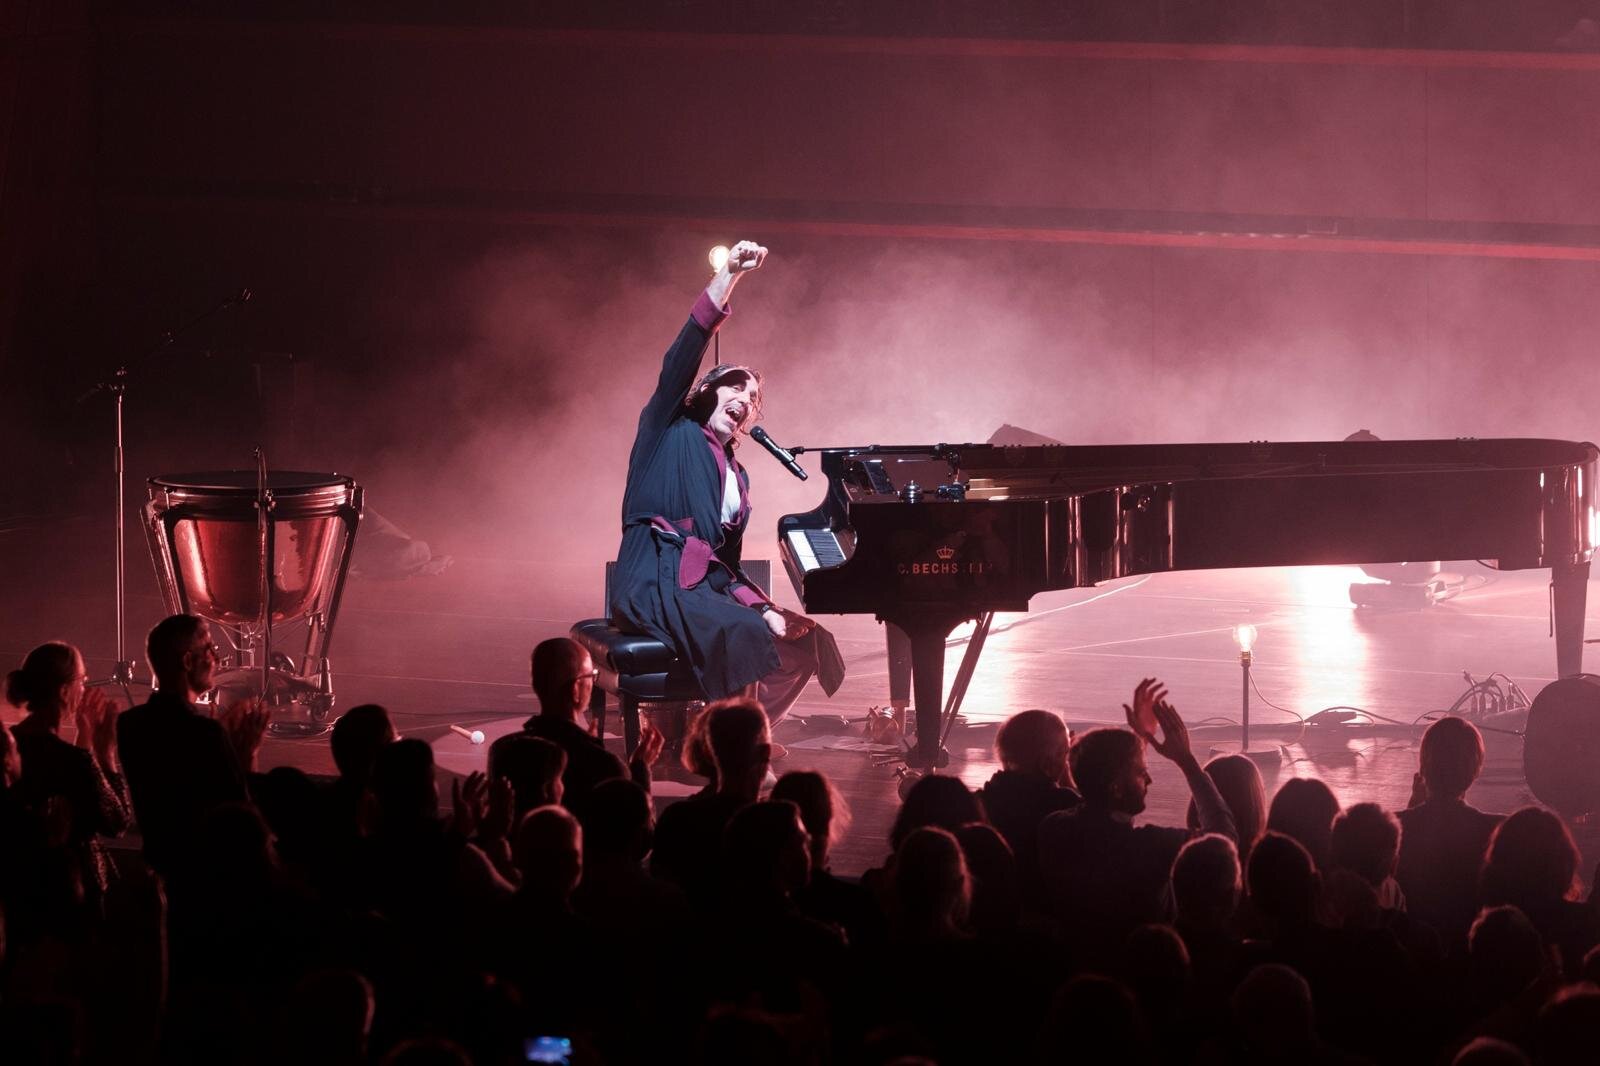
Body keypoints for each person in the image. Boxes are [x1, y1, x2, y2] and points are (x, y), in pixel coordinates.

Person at [607, 240, 822, 731]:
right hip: (651, 580)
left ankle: (732, 733)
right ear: (706, 392)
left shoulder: (738, 478)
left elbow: (721, 563)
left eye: (753, 398)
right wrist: (729, 275)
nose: (745, 400)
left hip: (703, 587)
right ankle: (739, 749)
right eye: (736, 387)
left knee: (802, 639)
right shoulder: (668, 428)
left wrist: (763, 605)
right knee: (744, 632)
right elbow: (683, 355)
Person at [1037, 678, 1237, 961]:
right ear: (1116, 787)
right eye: (1140, 772)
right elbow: (1224, 842)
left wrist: (1137, 742)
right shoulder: (1152, 846)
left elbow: (1094, 789)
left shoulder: (1053, 828)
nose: (1150, 779)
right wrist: (1186, 761)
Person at [116, 614, 267, 883]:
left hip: (163, 869)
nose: (217, 660)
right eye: (209, 649)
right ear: (187, 661)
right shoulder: (206, 733)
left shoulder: (129, 724)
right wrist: (246, 752)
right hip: (209, 874)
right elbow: (240, 814)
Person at [5, 641, 130, 920]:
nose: (84, 688)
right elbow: (116, 820)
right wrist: (106, 754)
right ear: (64, 691)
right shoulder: (69, 760)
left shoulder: (12, 745)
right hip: (69, 894)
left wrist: (84, 741)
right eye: (82, 680)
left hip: (19, 890)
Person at [1397, 715, 1503, 954]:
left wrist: (1413, 810)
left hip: (1411, 955)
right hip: (1472, 956)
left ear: (1423, 767)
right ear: (1474, 770)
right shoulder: (1497, 832)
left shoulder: (1393, 828)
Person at [524, 637, 660, 810]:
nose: (593, 681)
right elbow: (637, 827)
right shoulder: (605, 765)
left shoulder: (504, 751)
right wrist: (641, 768)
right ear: (575, 689)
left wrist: (583, 742)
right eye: (591, 676)